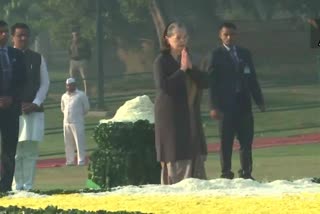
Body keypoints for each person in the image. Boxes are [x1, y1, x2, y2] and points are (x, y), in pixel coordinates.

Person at [208, 22, 265, 180]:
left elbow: (252, 78)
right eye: (225, 34)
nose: (229, 37)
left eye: (232, 34)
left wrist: (259, 100)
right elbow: (212, 83)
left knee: (246, 142)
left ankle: (246, 173)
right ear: (220, 36)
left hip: (244, 105)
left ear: (236, 35)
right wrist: (213, 106)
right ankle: (226, 173)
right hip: (226, 107)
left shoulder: (245, 54)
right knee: (226, 142)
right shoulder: (216, 55)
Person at [153, 21, 208, 185]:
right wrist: (182, 70)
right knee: (178, 157)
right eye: (178, 37)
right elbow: (164, 86)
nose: (182, 41)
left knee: (194, 155)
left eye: (185, 37)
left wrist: (190, 69)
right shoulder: (161, 61)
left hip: (190, 116)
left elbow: (205, 82)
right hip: (171, 119)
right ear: (167, 39)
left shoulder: (189, 58)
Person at [11, 23, 50, 191]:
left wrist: (35, 103)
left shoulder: (37, 57)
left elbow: (45, 83)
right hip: (12, 112)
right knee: (14, 152)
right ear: (13, 37)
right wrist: (15, 104)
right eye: (19, 35)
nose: (23, 38)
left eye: (26, 35)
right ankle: (15, 186)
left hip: (34, 111)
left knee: (31, 152)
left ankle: (28, 187)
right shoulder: (5, 57)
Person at [0, 20, 26, 192]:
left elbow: (23, 83)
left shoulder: (16, 55)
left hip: (10, 109)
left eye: (5, 32)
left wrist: (12, 99)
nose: (4, 35)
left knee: (9, 150)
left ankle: (6, 186)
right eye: (0, 32)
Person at [61, 78, 89, 166]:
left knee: (79, 142)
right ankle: (70, 161)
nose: (69, 87)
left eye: (71, 85)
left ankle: (81, 161)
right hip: (66, 122)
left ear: (75, 85)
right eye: (68, 85)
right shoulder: (64, 96)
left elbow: (86, 108)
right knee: (68, 142)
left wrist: (78, 115)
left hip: (77, 121)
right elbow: (63, 108)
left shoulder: (81, 95)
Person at [68, 26, 91, 96]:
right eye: (74, 34)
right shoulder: (70, 42)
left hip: (82, 61)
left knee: (85, 79)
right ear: (72, 34)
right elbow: (69, 51)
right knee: (72, 79)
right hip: (73, 61)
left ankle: (87, 95)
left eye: (77, 34)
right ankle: (74, 94)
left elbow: (89, 51)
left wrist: (86, 59)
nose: (76, 35)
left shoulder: (84, 41)